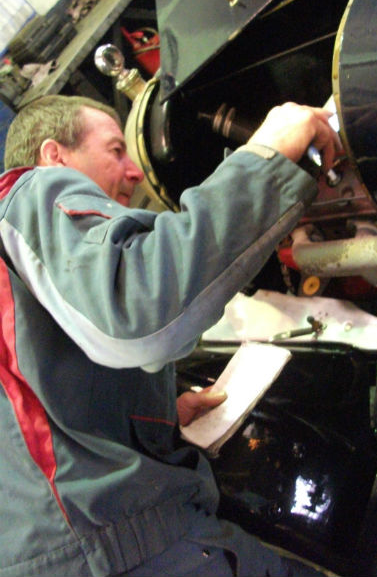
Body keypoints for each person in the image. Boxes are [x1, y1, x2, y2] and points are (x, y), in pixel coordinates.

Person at [0, 94, 335, 577]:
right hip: (110, 545)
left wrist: (159, 412)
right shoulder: (29, 193)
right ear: (55, 157)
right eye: (116, 150)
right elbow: (137, 312)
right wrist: (269, 154)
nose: (134, 171)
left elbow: (38, 413)